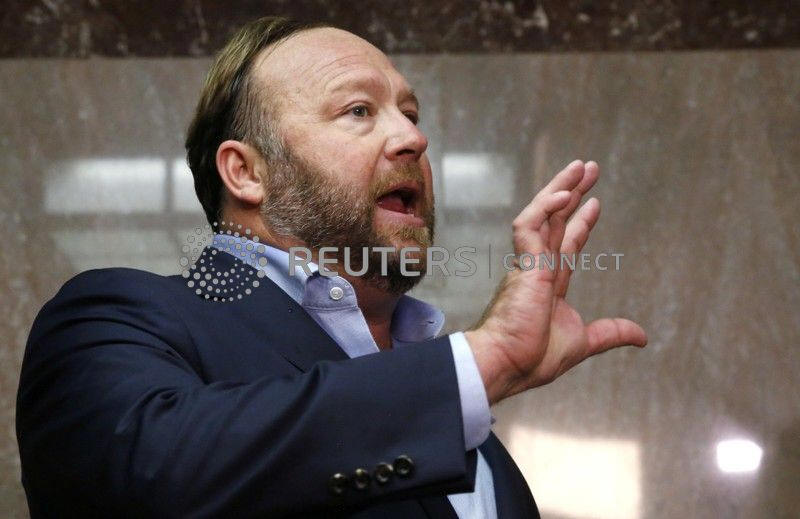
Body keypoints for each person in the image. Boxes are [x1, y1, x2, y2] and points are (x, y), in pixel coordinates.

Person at [15, 16, 647, 518]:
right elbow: (147, 475)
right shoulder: (116, 316)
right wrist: (490, 359)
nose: (413, 138)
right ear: (247, 172)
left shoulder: (475, 437)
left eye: (410, 113)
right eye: (358, 111)